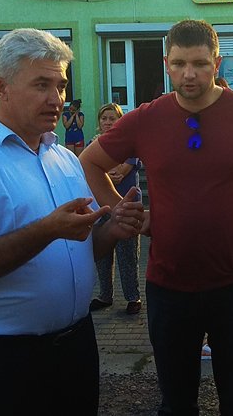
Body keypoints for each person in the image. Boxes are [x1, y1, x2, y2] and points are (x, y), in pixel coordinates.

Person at [81, 19, 233, 416]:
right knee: (176, 403)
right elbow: (90, 162)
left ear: (218, 62)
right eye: (179, 64)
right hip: (169, 287)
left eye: (199, 63)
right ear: (167, 64)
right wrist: (123, 212)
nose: (189, 74)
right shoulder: (147, 118)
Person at [0, 29, 144, 415]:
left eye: (61, 86)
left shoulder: (64, 158)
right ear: (1, 87)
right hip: (0, 360)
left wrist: (113, 230)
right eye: (41, 85)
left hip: (75, 347)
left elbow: (79, 249)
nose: (56, 99)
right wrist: (46, 231)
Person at [89, 102, 144, 315]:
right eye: (104, 118)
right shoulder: (93, 144)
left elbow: (121, 172)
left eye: (112, 118)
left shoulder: (130, 144)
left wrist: (102, 171)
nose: (108, 122)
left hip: (127, 206)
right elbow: (88, 169)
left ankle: (133, 297)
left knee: (127, 255)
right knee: (103, 256)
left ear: (120, 120)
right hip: (101, 207)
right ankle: (105, 295)